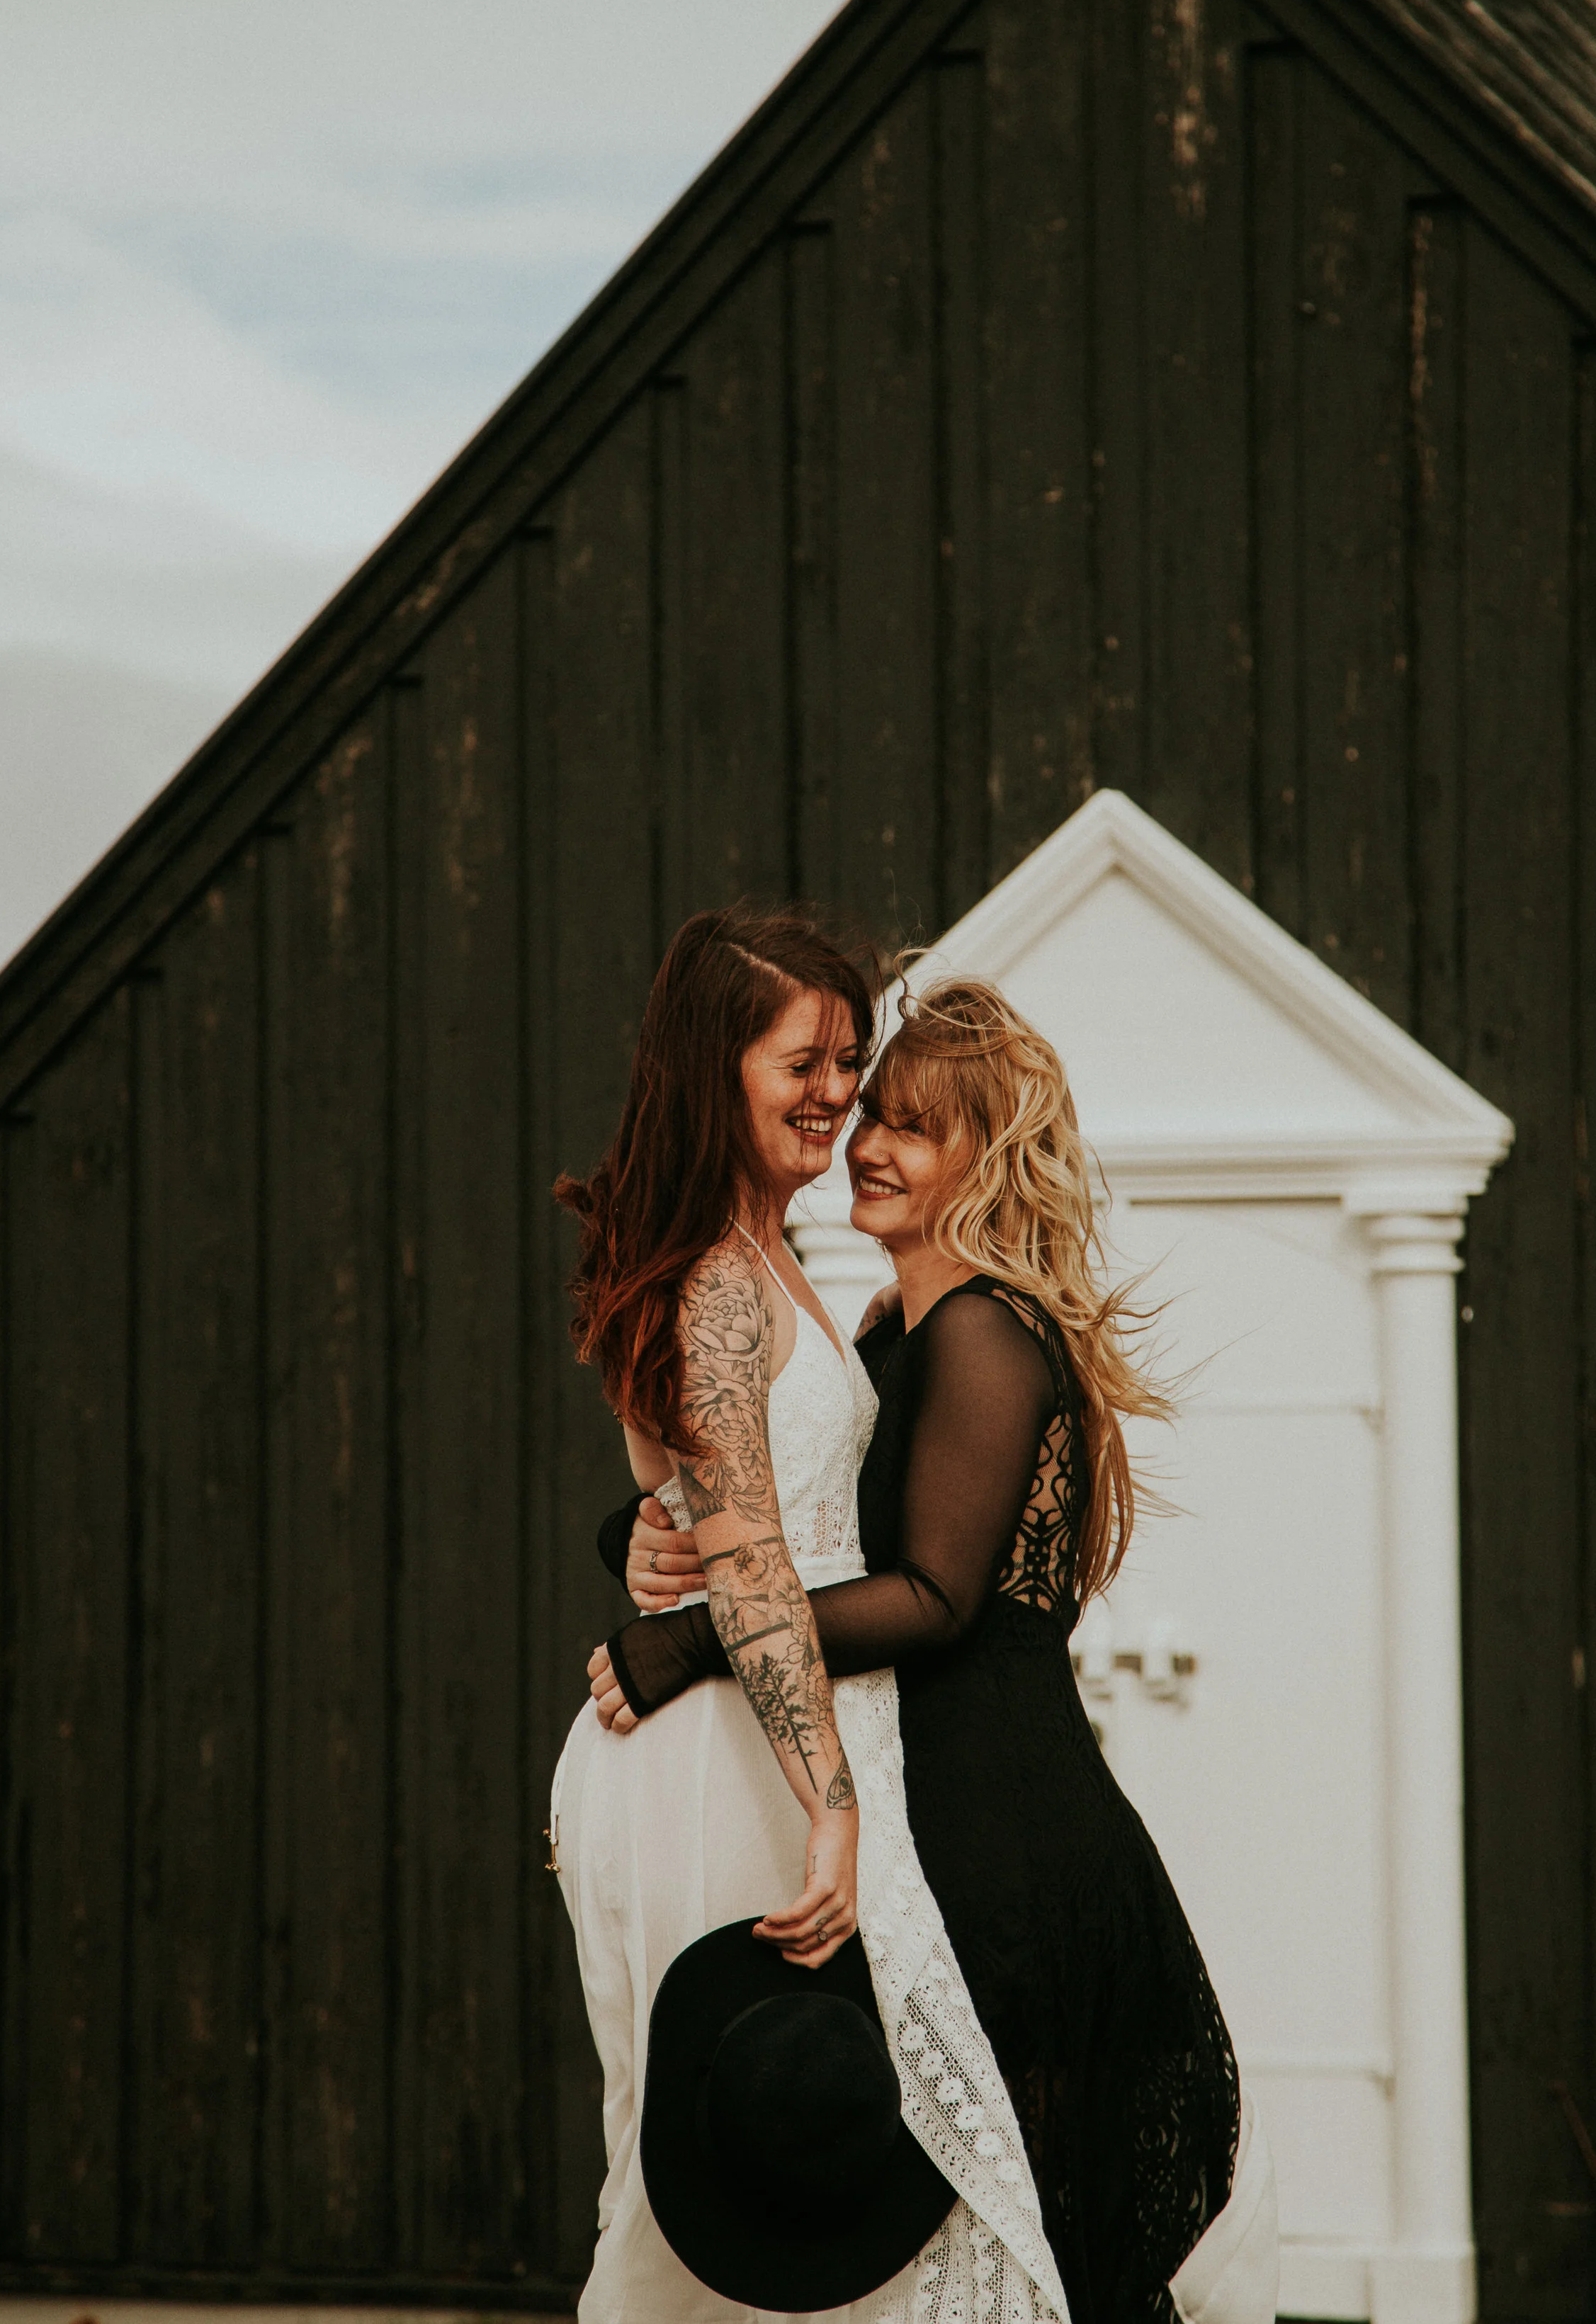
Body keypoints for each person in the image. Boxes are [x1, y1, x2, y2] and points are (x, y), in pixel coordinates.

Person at [588, 980, 1277, 2324]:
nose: (870, 1144)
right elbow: (807, 1522)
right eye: (874, 1114)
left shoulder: (980, 1330)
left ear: (991, 1155)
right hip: (943, 1813)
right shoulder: (894, 1328)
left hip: (1013, 1834)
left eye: (915, 1127)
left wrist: (699, 1640)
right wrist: (645, 1530)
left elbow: (933, 1597)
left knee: (1040, 2223)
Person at [549, 914, 1068, 2324]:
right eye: (807, 1059)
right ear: (717, 1066)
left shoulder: (767, 1263)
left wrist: (661, 1534)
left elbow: (729, 1525)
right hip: (731, 1767)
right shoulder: (719, 1285)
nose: (836, 1092)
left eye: (850, 1057)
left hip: (773, 1740)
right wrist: (829, 1802)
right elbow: (760, 1564)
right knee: (718, 2181)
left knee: (810, 2174)